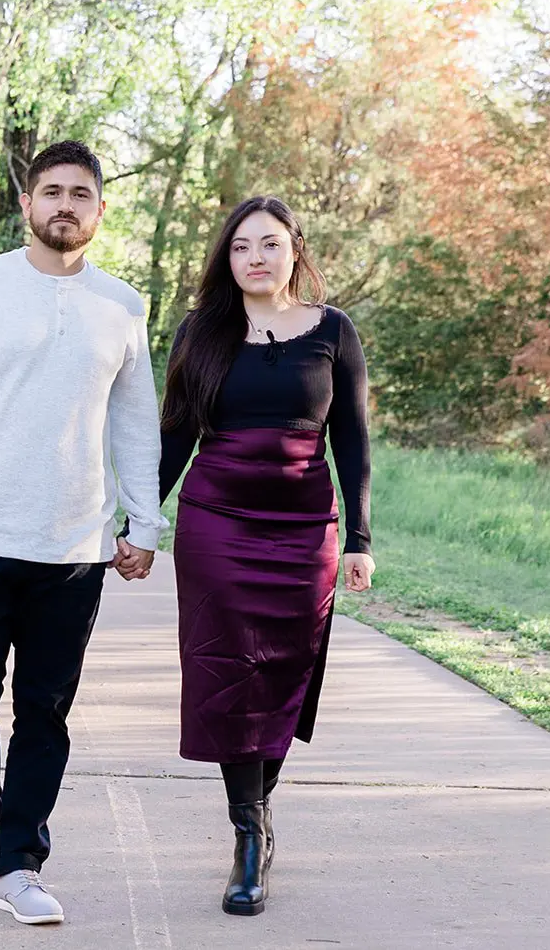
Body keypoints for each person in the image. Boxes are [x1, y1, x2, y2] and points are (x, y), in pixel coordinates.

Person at [0, 140, 167, 926]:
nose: (65, 205)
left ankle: (22, 863)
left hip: (74, 549)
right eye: (51, 191)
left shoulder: (122, 304)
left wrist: (145, 522)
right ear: (26, 204)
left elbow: (135, 423)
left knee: (45, 709)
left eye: (80, 194)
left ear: (98, 208)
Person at [158, 195, 374, 917]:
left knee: (285, 670)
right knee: (229, 674)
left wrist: (362, 540)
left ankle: (261, 808)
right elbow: (174, 436)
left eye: (270, 244)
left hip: (306, 529)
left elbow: (353, 441)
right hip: (216, 525)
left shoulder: (333, 332)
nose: (255, 256)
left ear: (294, 250)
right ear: (227, 257)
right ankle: (248, 836)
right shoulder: (201, 331)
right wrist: (136, 522)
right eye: (242, 245)